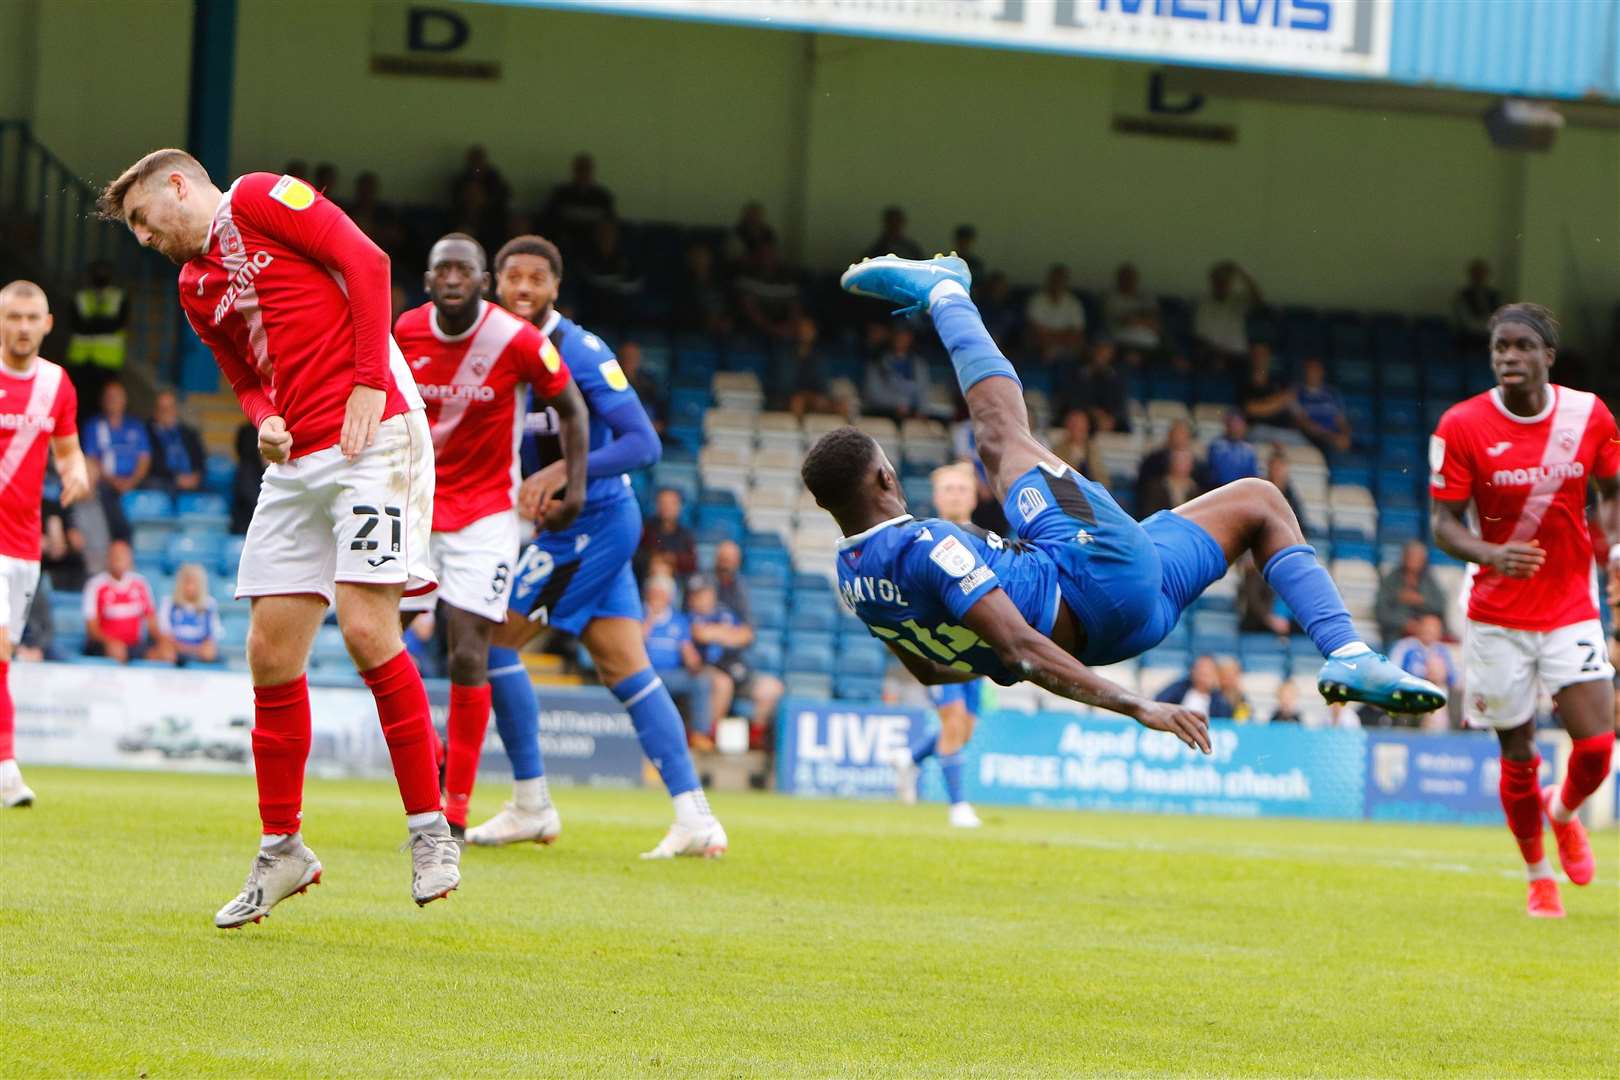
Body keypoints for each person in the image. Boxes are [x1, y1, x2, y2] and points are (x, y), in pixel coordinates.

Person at [821, 254, 1442, 752]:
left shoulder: (854, 581)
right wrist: (1135, 704)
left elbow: (936, 671)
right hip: (1092, 572)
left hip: (1130, 626)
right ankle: (946, 292)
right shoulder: (929, 542)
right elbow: (1020, 650)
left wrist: (1010, 649)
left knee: (1258, 501)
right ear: (883, 479)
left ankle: (1352, 656)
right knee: (1003, 440)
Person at [101, 149, 460, 924]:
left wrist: (369, 378)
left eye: (140, 220)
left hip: (373, 437)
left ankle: (430, 831)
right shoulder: (195, 286)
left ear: (176, 185)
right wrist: (263, 416)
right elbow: (245, 373)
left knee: (368, 630)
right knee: (268, 653)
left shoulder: (262, 198)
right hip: (297, 460)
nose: (142, 238)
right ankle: (283, 849)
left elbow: (366, 261)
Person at [469, 235, 728, 858]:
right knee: (625, 667)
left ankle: (530, 804)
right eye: (513, 278)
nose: (524, 289)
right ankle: (695, 818)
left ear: (555, 288)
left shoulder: (580, 351)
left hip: (600, 521)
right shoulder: (492, 351)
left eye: (537, 278)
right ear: (495, 284)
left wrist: (563, 473)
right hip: (556, 526)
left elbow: (643, 444)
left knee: (491, 641)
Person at [392, 233, 589, 840]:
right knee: (374, 638)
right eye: (441, 269)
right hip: (414, 506)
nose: (452, 278)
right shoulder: (403, 331)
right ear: (428, 281)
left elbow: (575, 410)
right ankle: (430, 756)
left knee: (469, 650)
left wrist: (574, 487)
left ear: (482, 281)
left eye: (464, 269)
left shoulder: (517, 340)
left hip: (485, 517)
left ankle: (454, 809)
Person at [1429, 302, 1618, 918]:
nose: (1508, 357)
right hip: (1497, 614)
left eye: (1520, 347)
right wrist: (1492, 553)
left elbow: (1612, 494)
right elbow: (1442, 525)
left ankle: (1562, 814)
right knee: (1518, 752)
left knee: (1597, 747)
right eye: (1499, 348)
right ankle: (1539, 876)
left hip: (1570, 603)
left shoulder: (1590, 416)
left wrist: (1614, 553)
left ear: (1547, 357)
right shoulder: (1460, 425)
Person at [0, 281, 90, 808]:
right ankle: (8, 768)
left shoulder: (56, 385)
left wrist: (75, 473)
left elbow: (68, 451)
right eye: (14, 317)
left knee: (6, 656)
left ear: (48, 323)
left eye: (32, 317)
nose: (23, 327)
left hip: (22, 545)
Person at [893, 462, 986, 827]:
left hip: (976, 646)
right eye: (948, 488)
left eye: (962, 488)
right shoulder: (922, 538)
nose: (955, 494)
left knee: (966, 729)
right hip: (940, 644)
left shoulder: (983, 539)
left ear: (974, 496)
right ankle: (958, 806)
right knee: (953, 721)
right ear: (936, 497)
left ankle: (910, 759)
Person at [687, 575, 782, 747]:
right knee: (723, 684)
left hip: (737, 668)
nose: (700, 599)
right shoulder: (688, 616)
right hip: (709, 670)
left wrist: (717, 633)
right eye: (696, 595)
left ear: (712, 593)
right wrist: (727, 633)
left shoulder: (724, 612)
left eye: (704, 593)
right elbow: (700, 634)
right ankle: (710, 737)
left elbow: (746, 635)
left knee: (772, 688)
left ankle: (755, 738)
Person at [640, 574, 712, 748]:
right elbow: (634, 644)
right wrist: (649, 620)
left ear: (669, 597)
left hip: (672, 674)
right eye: (653, 594)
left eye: (661, 594)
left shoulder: (678, 621)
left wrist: (692, 660)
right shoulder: (639, 615)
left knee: (701, 683)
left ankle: (699, 734)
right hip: (645, 673)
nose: (657, 598)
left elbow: (688, 651)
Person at [82, 539, 168, 662]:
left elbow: (151, 621)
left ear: (130, 559)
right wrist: (110, 642)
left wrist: (163, 641)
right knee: (117, 652)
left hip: (134, 644)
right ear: (108, 559)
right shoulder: (95, 586)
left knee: (163, 655)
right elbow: (92, 628)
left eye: (123, 555)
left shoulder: (141, 584)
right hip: (104, 644)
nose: (119, 559)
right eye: (115, 556)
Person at [82, 379, 149, 533]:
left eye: (117, 396)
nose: (113, 400)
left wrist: (132, 481)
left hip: (133, 482)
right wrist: (113, 481)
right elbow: (91, 459)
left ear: (125, 400)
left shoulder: (136, 426)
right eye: (109, 397)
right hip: (104, 483)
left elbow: (145, 458)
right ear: (103, 401)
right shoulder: (93, 426)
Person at [66, 261, 129, 415]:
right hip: (81, 362)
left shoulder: (119, 297)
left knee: (106, 405)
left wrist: (91, 323)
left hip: (108, 364)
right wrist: (104, 323)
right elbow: (76, 325)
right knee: (79, 405)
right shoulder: (81, 297)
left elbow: (118, 324)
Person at [1375, 540, 1450, 647]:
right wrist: (1406, 624)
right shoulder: (1391, 581)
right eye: (1412, 556)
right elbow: (1381, 612)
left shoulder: (1428, 580)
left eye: (1419, 558)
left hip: (1426, 635)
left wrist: (1420, 601)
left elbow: (1440, 606)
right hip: (1396, 635)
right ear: (1404, 557)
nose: (1415, 561)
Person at [540, 152, 616, 256]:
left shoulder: (602, 197)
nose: (583, 173)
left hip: (593, 237)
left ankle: (606, 267)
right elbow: (549, 219)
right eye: (580, 169)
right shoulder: (561, 194)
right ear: (574, 171)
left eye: (586, 169)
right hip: (567, 236)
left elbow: (610, 221)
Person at [1388, 611, 1458, 722]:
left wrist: (1438, 675)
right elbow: (1391, 675)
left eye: (1434, 627)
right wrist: (1423, 676)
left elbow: (1453, 679)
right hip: (1409, 694)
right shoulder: (1405, 646)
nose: (1430, 630)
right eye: (1427, 626)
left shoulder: (1443, 650)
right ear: (1419, 628)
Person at [1194, 261, 1262, 365]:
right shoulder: (1204, 304)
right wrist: (1218, 354)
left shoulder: (1237, 300)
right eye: (1219, 281)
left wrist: (1243, 274)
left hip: (1239, 355)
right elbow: (1201, 337)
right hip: (1214, 355)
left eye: (1225, 281)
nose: (1222, 285)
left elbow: (1258, 300)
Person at [159, 562, 225, 665]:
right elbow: (165, 633)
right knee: (166, 651)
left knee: (210, 652)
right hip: (176, 649)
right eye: (187, 582)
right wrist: (181, 647)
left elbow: (213, 635)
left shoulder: (209, 604)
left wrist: (197, 649)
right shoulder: (169, 603)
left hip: (200, 650)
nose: (190, 587)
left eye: (194, 583)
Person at [1062, 338, 1130, 434]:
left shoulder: (1116, 377)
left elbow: (1120, 405)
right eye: (1099, 349)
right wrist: (1095, 414)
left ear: (1112, 352)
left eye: (1106, 349)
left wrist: (1111, 419)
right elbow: (1073, 401)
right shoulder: (1078, 374)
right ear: (1092, 350)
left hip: (1111, 425)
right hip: (1085, 422)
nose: (1102, 353)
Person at [863, 324, 931, 420]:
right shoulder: (877, 362)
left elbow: (923, 394)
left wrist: (922, 411)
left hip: (912, 418)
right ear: (892, 336)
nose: (901, 338)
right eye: (898, 334)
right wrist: (897, 405)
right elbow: (873, 394)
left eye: (905, 335)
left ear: (910, 338)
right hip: (883, 416)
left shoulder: (919, 364)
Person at [146, 388, 206, 492]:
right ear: (155, 411)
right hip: (164, 481)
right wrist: (176, 478)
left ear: (176, 409)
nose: (167, 412)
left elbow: (200, 457)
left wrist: (196, 476)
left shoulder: (189, 432)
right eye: (162, 408)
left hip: (192, 480)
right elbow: (151, 463)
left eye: (170, 407)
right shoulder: (147, 432)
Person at [1024, 264, 1086, 362]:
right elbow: (1035, 329)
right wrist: (1054, 340)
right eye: (1055, 280)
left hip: (1066, 343)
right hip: (1042, 342)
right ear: (1049, 280)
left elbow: (1077, 331)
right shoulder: (1037, 300)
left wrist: (1058, 341)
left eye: (1061, 280)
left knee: (1079, 344)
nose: (1057, 283)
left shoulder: (1073, 303)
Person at [1293, 357, 1351, 455]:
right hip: (1312, 439)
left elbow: (1341, 421)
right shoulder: (1297, 393)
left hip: (1334, 439)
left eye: (1317, 370)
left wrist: (1345, 435)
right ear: (1304, 372)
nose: (1313, 373)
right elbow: (1303, 423)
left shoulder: (1333, 393)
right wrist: (1330, 437)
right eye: (1310, 370)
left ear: (1322, 372)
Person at [1103, 263, 1161, 357]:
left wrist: (1136, 319)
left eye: (1131, 278)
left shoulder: (1147, 297)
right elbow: (1125, 321)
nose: (1128, 281)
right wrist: (1145, 319)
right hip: (1124, 344)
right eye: (1125, 278)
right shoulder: (1113, 298)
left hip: (1151, 345)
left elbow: (1156, 323)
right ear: (1119, 280)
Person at [639, 487, 698, 579]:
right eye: (663, 503)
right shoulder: (646, 530)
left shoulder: (685, 534)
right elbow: (637, 557)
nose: (667, 507)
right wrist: (654, 560)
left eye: (671, 503)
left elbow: (692, 563)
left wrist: (672, 559)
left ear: (679, 507)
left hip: (676, 581)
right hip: (648, 578)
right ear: (657, 506)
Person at [1153, 655, 1234, 719]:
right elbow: (1158, 703)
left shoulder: (1219, 700)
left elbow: (1225, 722)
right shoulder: (1180, 688)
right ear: (1193, 671)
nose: (1203, 674)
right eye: (1200, 669)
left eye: (1207, 672)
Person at [1451, 259, 1501, 349]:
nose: (1480, 277)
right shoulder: (1463, 296)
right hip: (1471, 337)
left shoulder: (1494, 295)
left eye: (1482, 273)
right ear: (1471, 275)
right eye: (1476, 273)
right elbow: (1467, 322)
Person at [1206, 411, 1260, 488]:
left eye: (1238, 423)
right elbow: (1217, 474)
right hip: (1219, 489)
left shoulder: (1249, 449)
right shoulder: (1217, 446)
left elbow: (1252, 475)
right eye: (1232, 423)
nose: (1235, 427)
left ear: (1244, 426)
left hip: (1243, 490)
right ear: (1226, 425)